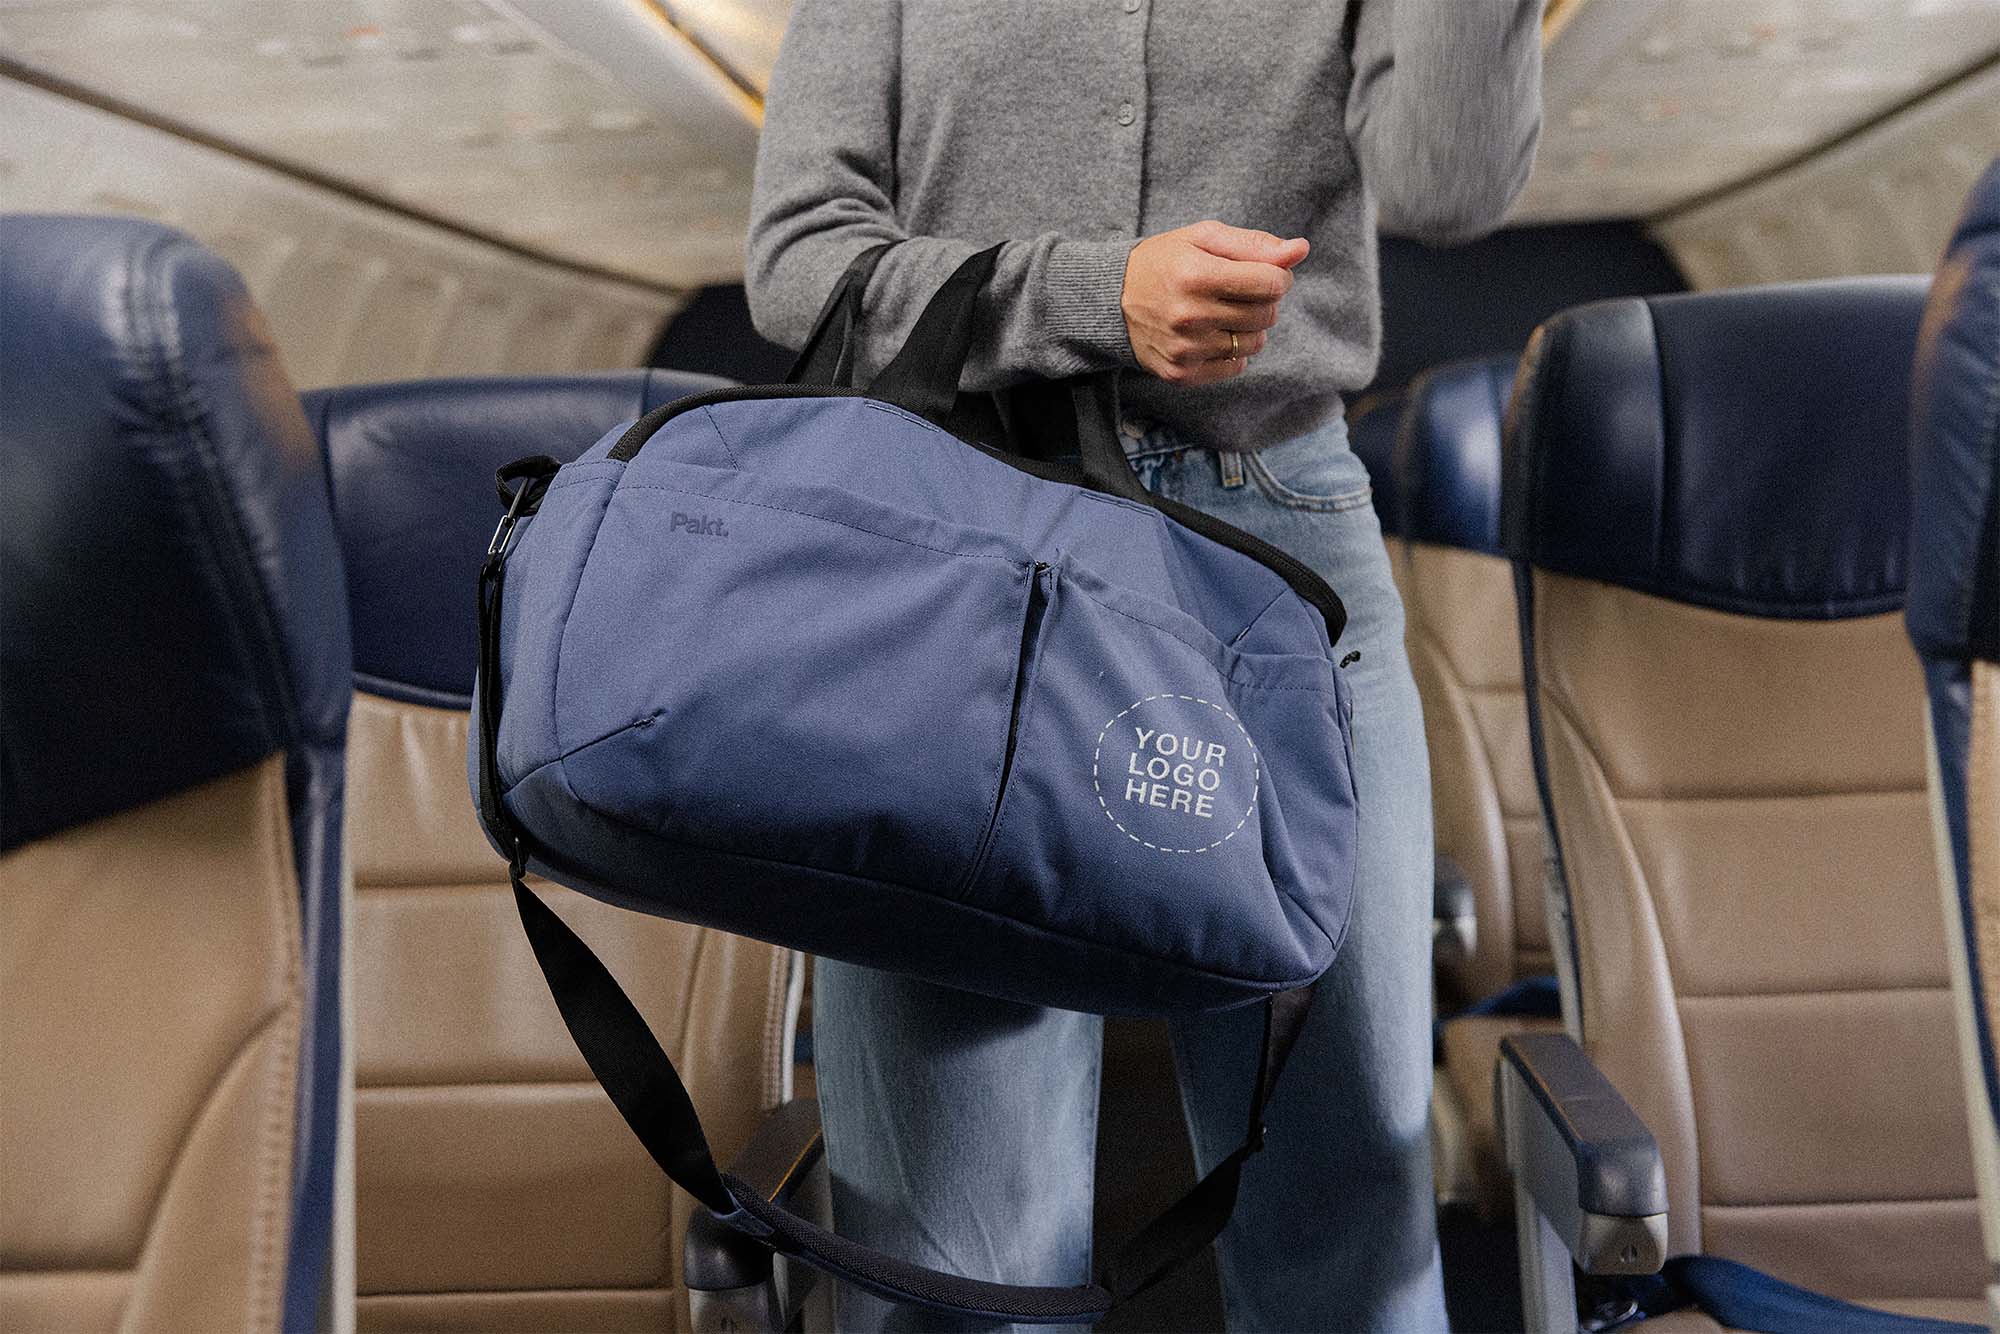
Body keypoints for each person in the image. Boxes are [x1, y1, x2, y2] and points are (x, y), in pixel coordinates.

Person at [745, 3, 1543, 1329]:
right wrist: (1092, 295)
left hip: (1280, 537)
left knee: (1344, 1188)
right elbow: (799, 266)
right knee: (958, 1242)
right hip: (966, 545)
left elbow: (1449, 184)